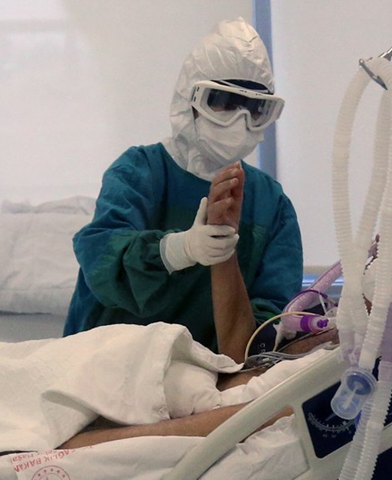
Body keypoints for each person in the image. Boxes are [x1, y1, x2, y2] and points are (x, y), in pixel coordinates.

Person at [51, 202, 392, 450]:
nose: (379, 247)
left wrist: (80, 446)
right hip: (127, 365)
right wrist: (220, 249)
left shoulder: (362, 377)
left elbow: (231, 422)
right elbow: (239, 353)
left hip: (136, 402)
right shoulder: (336, 331)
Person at [63, 18, 303, 361]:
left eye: (255, 109)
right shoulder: (140, 172)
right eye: (223, 102)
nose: (240, 121)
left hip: (206, 379)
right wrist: (181, 248)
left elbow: (268, 330)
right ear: (189, 99)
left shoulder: (271, 204)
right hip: (108, 363)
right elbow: (102, 260)